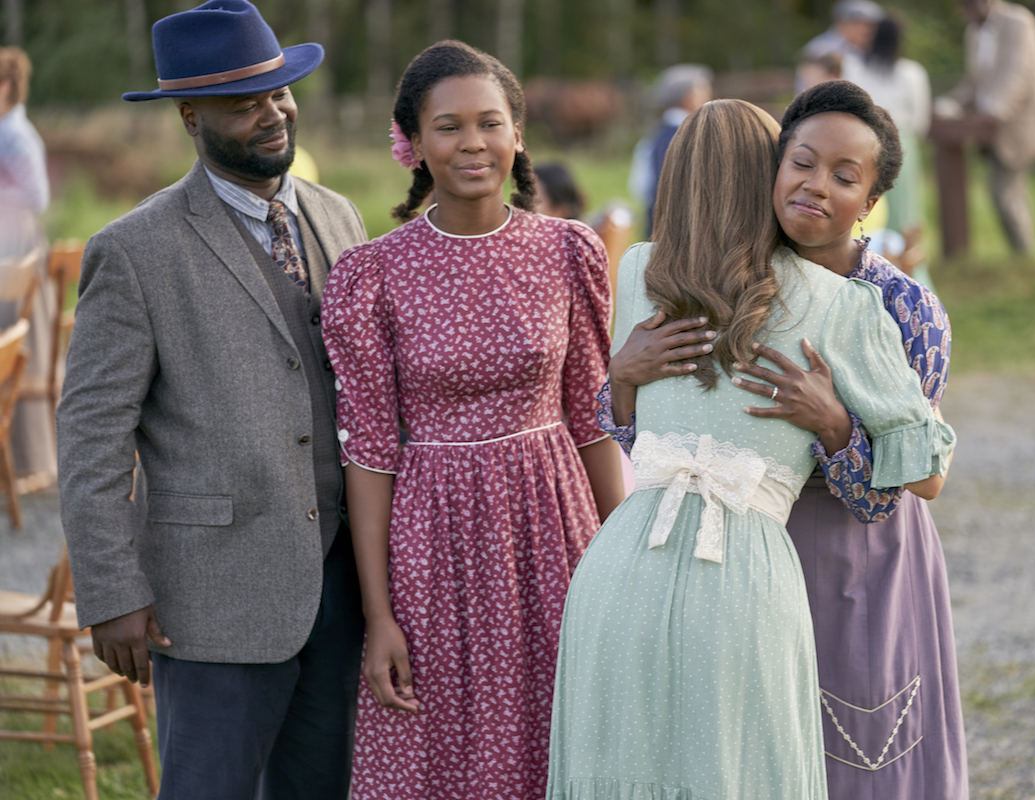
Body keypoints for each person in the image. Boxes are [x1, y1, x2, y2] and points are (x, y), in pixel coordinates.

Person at [547, 97, 955, 800]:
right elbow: (640, 431)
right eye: (799, 162)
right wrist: (621, 375)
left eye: (842, 175)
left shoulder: (886, 303)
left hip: (834, 552)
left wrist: (835, 423)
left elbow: (912, 478)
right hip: (697, 565)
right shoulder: (656, 276)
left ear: (871, 199)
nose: (815, 184)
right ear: (768, 172)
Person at [55, 2, 368, 797]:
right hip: (211, 597)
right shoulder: (133, 250)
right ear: (191, 116)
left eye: (280, 93)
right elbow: (92, 434)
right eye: (245, 103)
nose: (273, 114)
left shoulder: (338, 217)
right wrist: (112, 592)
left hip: (344, 587)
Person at [321, 40, 624, 800]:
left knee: (565, 738)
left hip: (554, 529)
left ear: (518, 132)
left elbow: (592, 420)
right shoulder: (373, 274)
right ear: (413, 143)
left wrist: (627, 572)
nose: (472, 143)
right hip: (433, 546)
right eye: (448, 126)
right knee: (439, 754)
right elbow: (370, 454)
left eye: (489, 122)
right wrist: (379, 614)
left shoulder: (568, 252)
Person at [937, 0, 1035, 254]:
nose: (965, 13)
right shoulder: (973, 32)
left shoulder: (1019, 22)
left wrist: (992, 111)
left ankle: (1025, 255)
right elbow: (975, 82)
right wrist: (950, 103)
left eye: (968, 6)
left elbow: (1020, 74)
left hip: (1022, 123)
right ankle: (1023, 256)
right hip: (992, 128)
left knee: (1003, 192)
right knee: (1005, 191)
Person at [0, 46, 56, 481]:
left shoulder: (14, 134)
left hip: (14, 244)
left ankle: (26, 462)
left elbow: (36, 197)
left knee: (19, 349)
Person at [844, 15, 932, 282]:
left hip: (865, 142)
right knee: (905, 210)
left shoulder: (855, 67)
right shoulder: (911, 72)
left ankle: (868, 270)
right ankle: (911, 272)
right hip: (902, 142)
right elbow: (921, 119)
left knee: (869, 206)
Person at [627, 63, 713, 237]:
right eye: (702, 90)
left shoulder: (656, 134)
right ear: (687, 96)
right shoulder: (688, 134)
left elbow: (640, 187)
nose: (709, 95)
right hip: (682, 232)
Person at [801, 0, 885, 62]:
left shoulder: (870, 49)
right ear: (841, 23)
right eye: (858, 23)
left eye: (871, 25)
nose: (866, 30)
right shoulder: (820, 50)